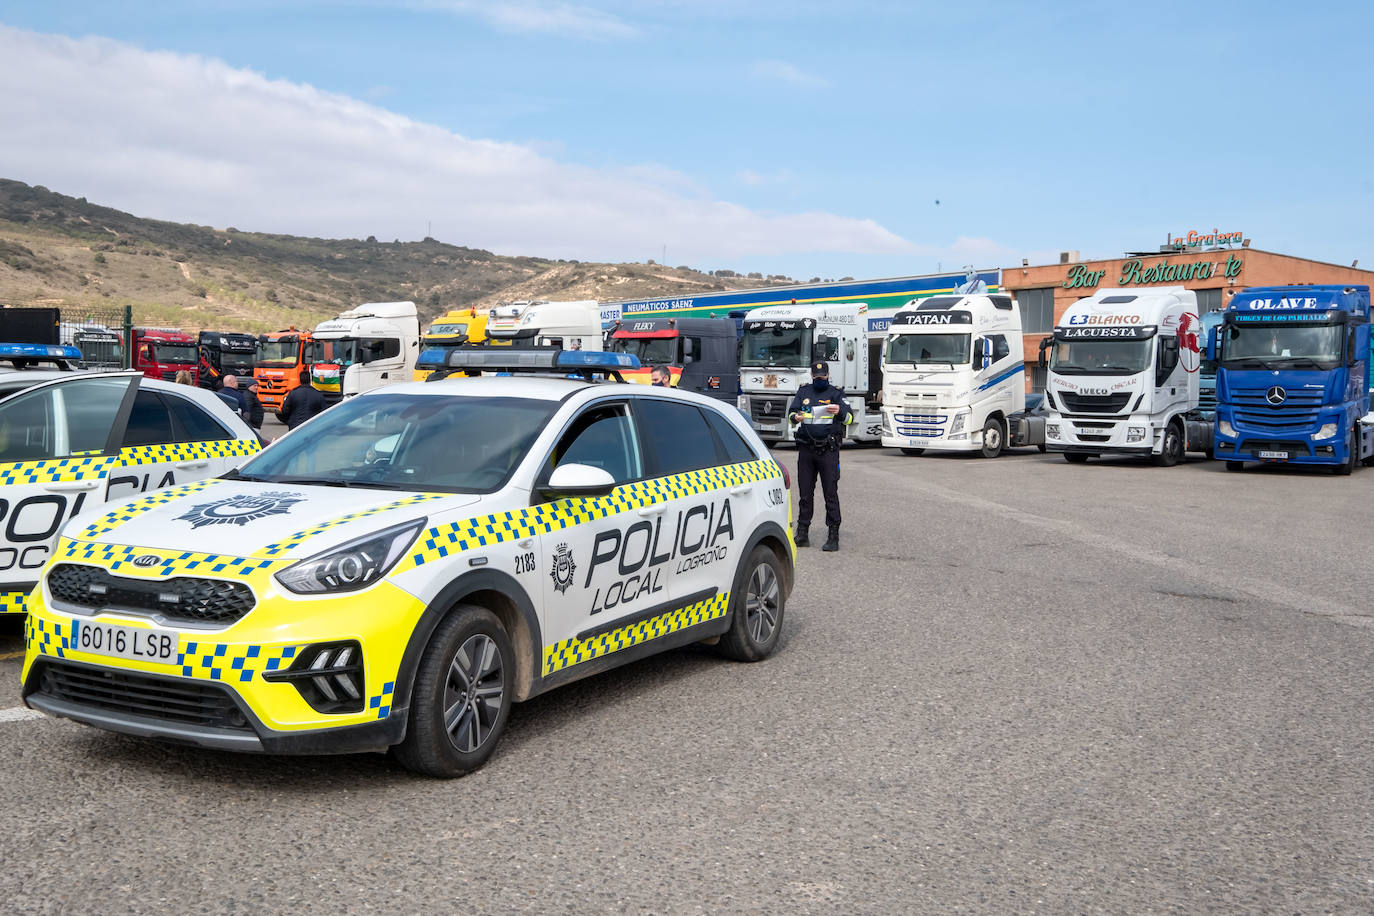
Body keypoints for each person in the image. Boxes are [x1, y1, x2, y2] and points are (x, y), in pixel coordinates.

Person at [787, 361, 852, 552]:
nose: (820, 379)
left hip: (828, 450)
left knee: (830, 493)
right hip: (807, 450)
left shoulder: (836, 393)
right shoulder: (804, 392)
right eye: (817, 376)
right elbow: (791, 414)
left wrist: (839, 412)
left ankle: (833, 535)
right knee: (805, 494)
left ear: (828, 375)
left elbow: (850, 418)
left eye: (823, 376)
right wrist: (796, 417)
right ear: (811, 375)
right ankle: (803, 533)